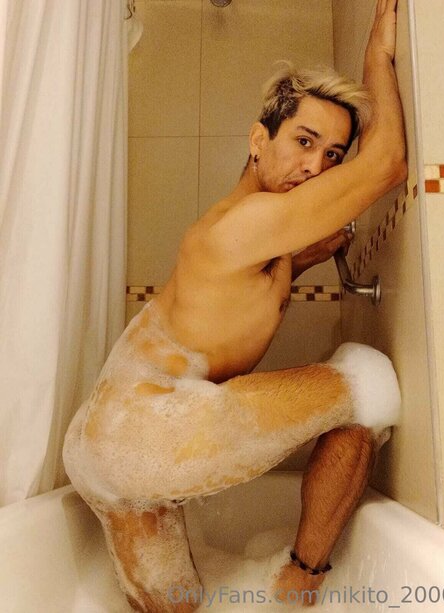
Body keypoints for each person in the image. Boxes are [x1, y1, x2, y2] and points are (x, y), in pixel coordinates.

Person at [63, 0, 406, 610]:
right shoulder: (252, 223)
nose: (317, 167)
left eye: (333, 155)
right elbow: (388, 164)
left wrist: (308, 256)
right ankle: (300, 583)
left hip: (100, 450)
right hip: (150, 435)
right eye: (304, 141)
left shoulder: (249, 235)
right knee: (366, 387)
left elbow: (252, 293)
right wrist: (377, 55)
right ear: (257, 140)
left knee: (180, 606)